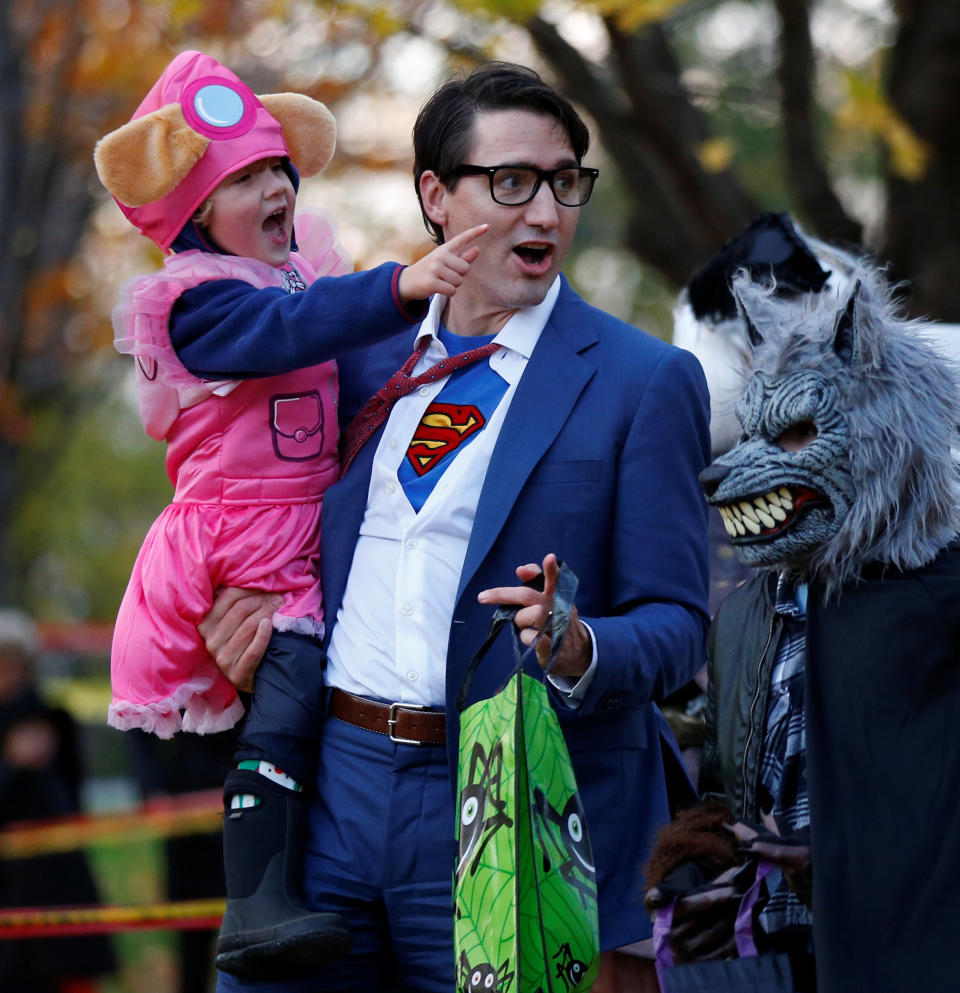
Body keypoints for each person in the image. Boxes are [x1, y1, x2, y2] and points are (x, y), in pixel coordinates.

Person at [203, 62, 711, 992]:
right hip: (333, 784)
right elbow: (253, 511)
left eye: (565, 183)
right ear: (437, 195)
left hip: (507, 798)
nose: (546, 212)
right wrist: (234, 621)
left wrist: (578, 644)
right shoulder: (351, 355)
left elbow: (679, 627)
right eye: (511, 182)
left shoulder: (645, 380)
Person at [93, 50, 484, 980]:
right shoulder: (199, 304)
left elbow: (366, 373)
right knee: (292, 681)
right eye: (245, 179)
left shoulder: (296, 282)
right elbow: (292, 335)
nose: (276, 188)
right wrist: (400, 284)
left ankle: (277, 885)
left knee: (299, 686)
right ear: (191, 215)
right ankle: (256, 899)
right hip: (244, 533)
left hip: (296, 526)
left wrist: (451, 344)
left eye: (280, 170)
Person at [645, 235, 960, 992]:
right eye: (757, 431)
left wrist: (847, 873)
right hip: (778, 966)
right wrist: (701, 879)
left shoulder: (942, 601)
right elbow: (728, 797)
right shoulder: (748, 616)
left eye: (793, 433)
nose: (741, 465)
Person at [0, 608, 116, 993]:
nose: (7, 674)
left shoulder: (54, 719)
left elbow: (75, 794)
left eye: (14, 663)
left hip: (58, 877)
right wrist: (11, 764)